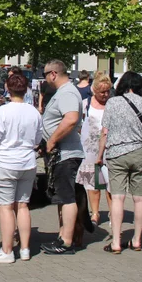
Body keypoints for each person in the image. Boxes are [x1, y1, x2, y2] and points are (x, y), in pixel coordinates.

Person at [0, 73, 42, 263]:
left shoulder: (3, 111)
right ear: (26, 90)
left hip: (6, 162)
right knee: (23, 205)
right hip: (28, 162)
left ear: (8, 89)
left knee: (6, 207)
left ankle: (7, 251)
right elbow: (38, 139)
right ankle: (25, 248)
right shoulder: (34, 112)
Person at [98, 71, 142, 253]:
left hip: (117, 152)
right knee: (139, 198)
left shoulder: (112, 103)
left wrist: (99, 154)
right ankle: (137, 240)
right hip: (140, 151)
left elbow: (104, 132)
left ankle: (116, 241)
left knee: (117, 197)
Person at [40, 60, 84, 255]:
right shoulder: (64, 92)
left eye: (45, 75)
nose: (45, 80)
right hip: (60, 153)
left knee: (66, 197)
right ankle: (63, 235)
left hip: (65, 153)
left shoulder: (67, 92)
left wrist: (52, 140)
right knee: (61, 196)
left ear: (53, 74)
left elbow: (71, 118)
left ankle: (66, 241)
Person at [78, 73, 112, 227]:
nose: (105, 95)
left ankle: (113, 213)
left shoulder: (112, 104)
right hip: (90, 148)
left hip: (109, 147)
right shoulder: (85, 103)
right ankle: (95, 213)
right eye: (102, 92)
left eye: (107, 92)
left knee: (110, 184)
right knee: (93, 183)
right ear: (94, 91)